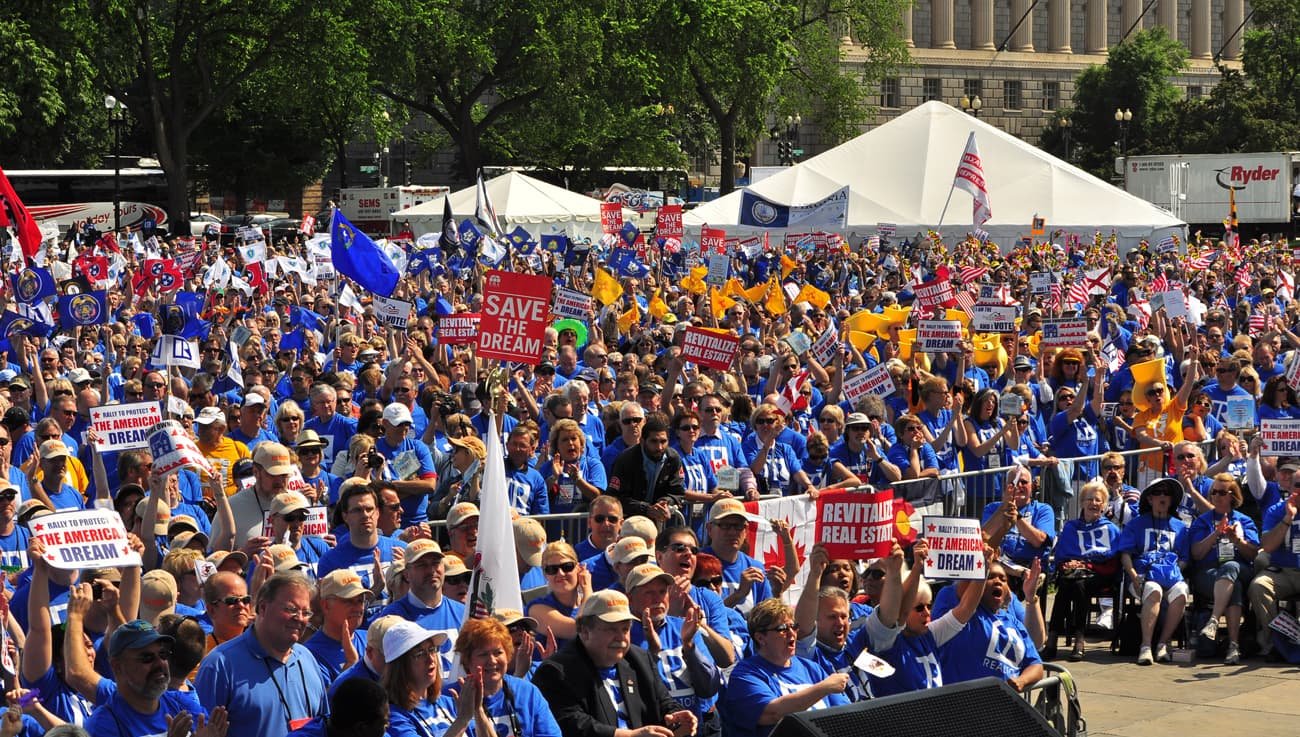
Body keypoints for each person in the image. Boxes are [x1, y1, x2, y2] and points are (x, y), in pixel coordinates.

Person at [532, 590, 698, 737]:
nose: (621, 638)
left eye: (625, 629)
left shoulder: (639, 659)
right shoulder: (555, 672)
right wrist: (630, 736)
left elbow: (663, 702)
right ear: (584, 631)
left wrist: (676, 717)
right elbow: (573, 725)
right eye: (611, 629)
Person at [195, 572, 328, 737]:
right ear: (263, 607)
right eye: (291, 609)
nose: (300, 619)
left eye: (306, 613)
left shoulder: (308, 659)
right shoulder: (220, 665)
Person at [864, 539, 986, 696]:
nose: (927, 613)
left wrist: (984, 567)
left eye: (929, 605)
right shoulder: (886, 643)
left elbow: (966, 609)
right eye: (919, 608)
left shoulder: (929, 636)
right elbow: (901, 612)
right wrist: (917, 567)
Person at [720, 598, 849, 737]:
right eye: (782, 629)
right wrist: (824, 688)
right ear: (760, 638)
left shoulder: (812, 668)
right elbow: (773, 713)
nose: (791, 633)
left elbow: (843, 714)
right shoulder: (745, 675)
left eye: (793, 626)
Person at [624, 563, 721, 735]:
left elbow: (709, 688)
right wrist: (652, 654)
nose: (657, 599)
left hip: (695, 725)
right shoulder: (624, 634)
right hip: (655, 729)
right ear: (630, 598)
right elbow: (632, 694)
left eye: (662, 592)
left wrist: (689, 646)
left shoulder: (684, 627)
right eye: (649, 592)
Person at [1115, 477, 1191, 665]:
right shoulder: (1136, 524)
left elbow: (1184, 558)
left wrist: (1174, 572)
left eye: (1167, 493)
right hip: (1142, 577)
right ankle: (1146, 646)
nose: (1162, 496)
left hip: (1170, 577)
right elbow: (1125, 554)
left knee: (1181, 592)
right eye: (1157, 493)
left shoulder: (1180, 527)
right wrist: (1133, 577)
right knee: (1154, 590)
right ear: (1149, 499)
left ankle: (1163, 644)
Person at [1189, 473, 1259, 665]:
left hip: (1240, 568)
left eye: (1221, 492)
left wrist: (1237, 540)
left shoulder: (1244, 520)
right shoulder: (1202, 521)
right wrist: (1216, 533)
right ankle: (1233, 646)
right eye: (1213, 492)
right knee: (1233, 587)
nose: (1216, 496)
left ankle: (1213, 620)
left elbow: (1253, 554)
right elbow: (1196, 553)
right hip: (1209, 572)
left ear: (1233, 495)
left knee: (1231, 566)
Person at [1047, 481, 1121, 661]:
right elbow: (1062, 556)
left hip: (1101, 574)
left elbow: (1113, 562)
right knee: (1067, 583)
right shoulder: (1071, 527)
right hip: (1073, 574)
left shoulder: (1110, 529)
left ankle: (1071, 640)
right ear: (1082, 502)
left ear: (1104, 505)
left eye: (1098, 500)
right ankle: (1057, 639)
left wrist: (1086, 565)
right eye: (1089, 499)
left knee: (1076, 584)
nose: (1093, 503)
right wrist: (1068, 564)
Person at [453, 617, 563, 737]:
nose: (492, 661)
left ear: (508, 655)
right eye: (483, 654)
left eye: (498, 652)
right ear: (467, 660)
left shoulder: (528, 692)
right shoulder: (451, 698)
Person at [377, 539, 464, 678]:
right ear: (406, 574)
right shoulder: (393, 617)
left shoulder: (462, 612)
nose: (431, 571)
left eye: (436, 563)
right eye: (422, 565)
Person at [380, 621, 482, 737]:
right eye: (420, 653)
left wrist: (478, 710)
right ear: (400, 666)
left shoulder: (450, 702)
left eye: (432, 650)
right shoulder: (393, 716)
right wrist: (462, 720)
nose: (430, 659)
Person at [1248, 486, 1300, 659]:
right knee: (1258, 586)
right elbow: (1268, 546)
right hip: (1283, 571)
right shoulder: (1276, 510)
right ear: (1291, 488)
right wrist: (1288, 518)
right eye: (1298, 485)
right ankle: (1276, 643)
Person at [303, 570, 372, 682]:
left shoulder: (371, 639)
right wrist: (350, 665)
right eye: (349, 601)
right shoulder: (310, 654)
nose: (357, 608)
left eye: (360, 601)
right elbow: (324, 698)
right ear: (326, 606)